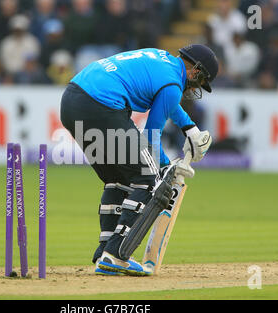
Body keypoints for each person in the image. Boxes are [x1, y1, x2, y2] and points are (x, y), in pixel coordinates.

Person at [60, 44, 218, 276]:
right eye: (200, 80)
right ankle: (116, 254)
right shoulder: (173, 84)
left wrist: (190, 128)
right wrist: (167, 166)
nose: (195, 86)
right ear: (195, 70)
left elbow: (167, 100)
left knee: (119, 179)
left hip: (72, 101)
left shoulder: (161, 59)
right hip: (101, 105)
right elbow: (151, 139)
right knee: (148, 175)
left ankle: (105, 251)